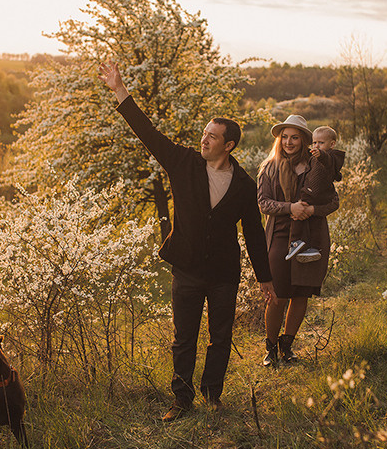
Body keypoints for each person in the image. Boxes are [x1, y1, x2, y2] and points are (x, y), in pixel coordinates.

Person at [98, 61, 275, 421]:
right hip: (188, 270)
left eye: (212, 136)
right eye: (204, 133)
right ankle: (181, 399)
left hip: (225, 272)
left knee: (221, 337)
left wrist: (264, 277)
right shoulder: (183, 163)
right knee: (184, 339)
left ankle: (213, 395)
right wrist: (120, 91)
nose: (204, 139)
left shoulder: (243, 184)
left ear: (228, 145)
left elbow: (254, 232)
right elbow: (148, 133)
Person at [257, 114, 339, 366]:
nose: (288, 142)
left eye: (294, 137)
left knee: (301, 294)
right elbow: (263, 203)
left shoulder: (317, 167)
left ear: (304, 140)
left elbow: (333, 202)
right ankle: (270, 347)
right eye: (284, 137)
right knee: (278, 295)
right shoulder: (269, 167)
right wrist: (290, 207)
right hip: (281, 235)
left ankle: (287, 345)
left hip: (311, 235)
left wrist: (312, 211)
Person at [286, 125, 345, 263]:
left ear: (332, 144)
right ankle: (314, 247)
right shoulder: (316, 155)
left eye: (321, 143)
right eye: (314, 142)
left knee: (297, 212)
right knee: (315, 221)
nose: (317, 146)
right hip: (320, 194)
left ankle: (295, 241)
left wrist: (321, 154)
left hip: (312, 192)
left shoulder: (329, 155)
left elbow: (327, 160)